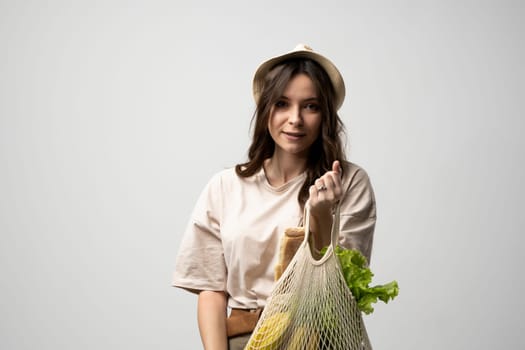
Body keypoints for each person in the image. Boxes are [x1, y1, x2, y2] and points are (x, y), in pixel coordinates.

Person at [172, 44, 376, 350]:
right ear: (266, 108)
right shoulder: (225, 186)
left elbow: (337, 292)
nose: (295, 118)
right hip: (243, 340)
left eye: (311, 106)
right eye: (282, 103)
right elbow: (211, 289)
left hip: (315, 342)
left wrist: (321, 215)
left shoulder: (349, 184)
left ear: (326, 116)